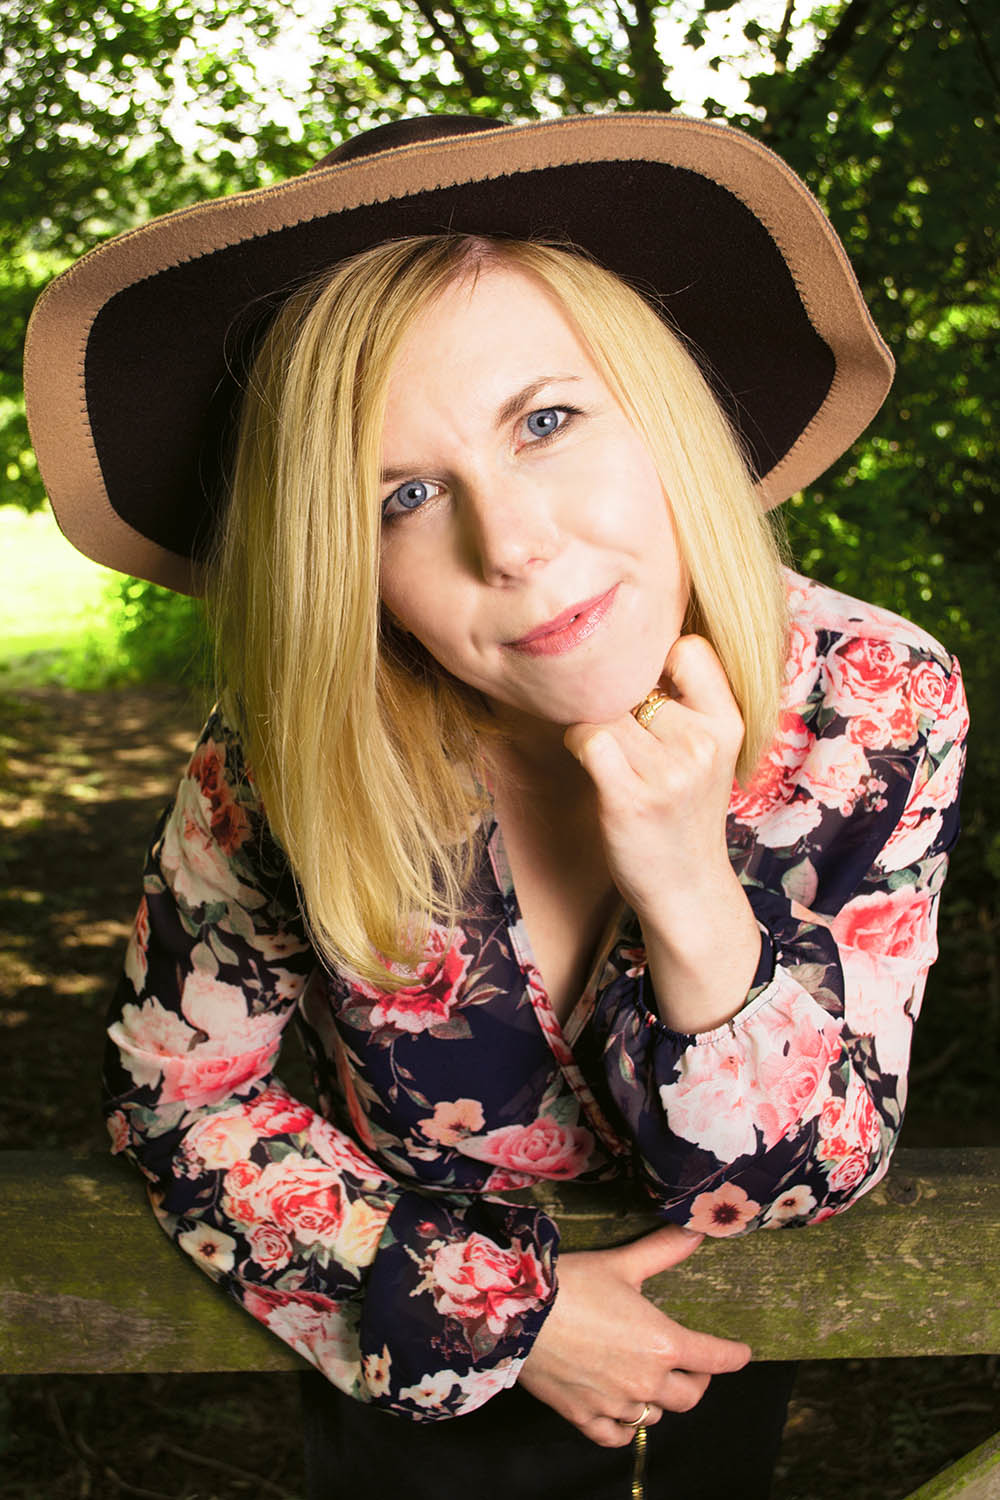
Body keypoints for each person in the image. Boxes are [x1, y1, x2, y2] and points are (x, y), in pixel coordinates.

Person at [24, 113, 967, 1499]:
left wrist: (688, 893)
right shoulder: (285, 757)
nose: (514, 543)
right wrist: (507, 1313)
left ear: (660, 408)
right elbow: (177, 1098)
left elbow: (801, 1176)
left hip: (728, 1364)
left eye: (546, 421)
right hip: (406, 1396)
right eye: (404, 494)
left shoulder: (874, 702)